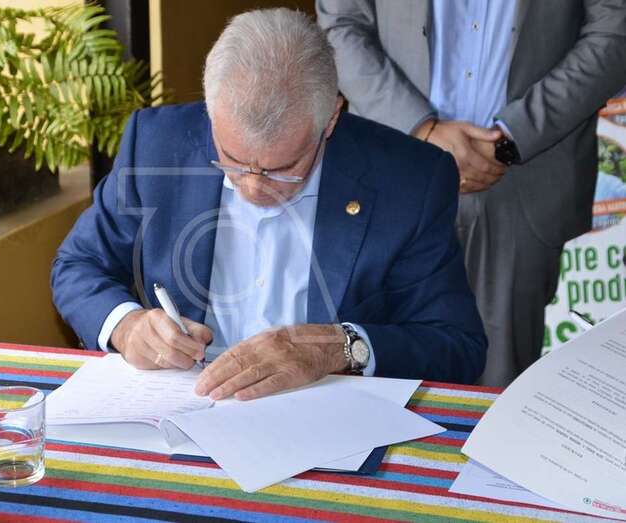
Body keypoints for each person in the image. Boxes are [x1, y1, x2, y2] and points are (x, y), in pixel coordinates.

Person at [51, 8, 486, 401]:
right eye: (232, 160)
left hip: (323, 418)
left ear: (330, 118)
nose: (254, 187)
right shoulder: (156, 144)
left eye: (283, 169)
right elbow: (78, 265)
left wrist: (338, 348)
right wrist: (126, 326)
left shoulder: (409, 180)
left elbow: (456, 345)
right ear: (212, 111)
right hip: (184, 404)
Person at [317, 0, 626, 386]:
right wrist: (421, 130)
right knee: (374, 370)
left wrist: (513, 137)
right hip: (392, 173)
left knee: (499, 385)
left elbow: (614, 30)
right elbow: (340, 25)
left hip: (519, 181)